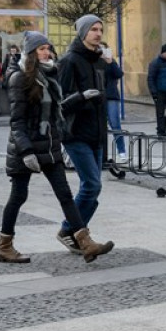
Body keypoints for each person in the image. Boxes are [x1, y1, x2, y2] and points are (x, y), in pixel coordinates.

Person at [0, 31, 114, 264]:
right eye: (41, 49)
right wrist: (27, 151)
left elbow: (56, 110)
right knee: (18, 196)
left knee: (65, 196)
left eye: (48, 48)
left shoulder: (49, 75)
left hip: (49, 146)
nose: (46, 52)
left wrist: (80, 97)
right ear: (30, 52)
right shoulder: (19, 78)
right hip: (27, 148)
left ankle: (85, 242)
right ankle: (5, 246)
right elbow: (17, 122)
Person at [55, 14, 111, 255]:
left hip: (96, 132)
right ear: (82, 33)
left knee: (94, 189)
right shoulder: (69, 60)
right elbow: (60, 102)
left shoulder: (98, 60)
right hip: (75, 132)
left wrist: (111, 63)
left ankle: (76, 233)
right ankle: (70, 229)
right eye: (93, 30)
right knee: (91, 184)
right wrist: (81, 96)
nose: (98, 34)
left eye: (100, 29)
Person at [102, 43, 127, 164]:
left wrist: (110, 62)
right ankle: (101, 153)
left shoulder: (111, 61)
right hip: (97, 97)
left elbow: (119, 74)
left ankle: (122, 151)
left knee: (115, 124)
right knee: (99, 126)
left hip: (111, 96)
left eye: (103, 49)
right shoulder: (93, 62)